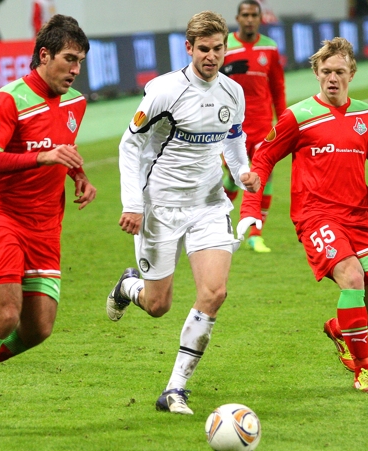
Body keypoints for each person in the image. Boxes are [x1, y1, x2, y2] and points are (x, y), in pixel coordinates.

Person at [0, 14, 96, 441]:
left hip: (47, 228)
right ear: (44, 56)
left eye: (80, 60)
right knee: (4, 315)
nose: (75, 68)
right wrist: (40, 159)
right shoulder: (9, 99)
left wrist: (78, 174)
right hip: (2, 219)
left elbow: (63, 148)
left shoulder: (76, 104)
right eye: (68, 59)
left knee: (38, 329)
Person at [238, 37, 368, 394]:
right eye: (327, 71)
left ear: (352, 74)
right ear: (317, 73)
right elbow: (264, 159)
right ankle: (363, 370)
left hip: (359, 219)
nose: (333, 78)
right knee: (351, 277)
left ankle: (339, 328)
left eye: (340, 72)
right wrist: (251, 207)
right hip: (316, 216)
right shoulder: (298, 116)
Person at [106, 11, 260, 415]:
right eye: (204, 49)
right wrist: (133, 204)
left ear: (227, 47)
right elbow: (129, 144)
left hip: (209, 205)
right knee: (158, 305)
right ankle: (128, 287)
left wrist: (242, 172)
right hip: (160, 208)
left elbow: (234, 138)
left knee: (215, 292)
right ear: (189, 48)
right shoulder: (165, 92)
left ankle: (175, 388)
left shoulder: (232, 92)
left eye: (218, 48)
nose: (212, 56)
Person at [220, 0, 286, 253]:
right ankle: (219, 224)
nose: (249, 19)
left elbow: (277, 88)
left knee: (263, 175)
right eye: (245, 15)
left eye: (253, 15)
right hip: (230, 128)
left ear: (260, 18)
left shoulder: (269, 48)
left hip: (262, 126)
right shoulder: (225, 47)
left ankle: (256, 234)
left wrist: (282, 122)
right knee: (234, 177)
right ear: (238, 18)